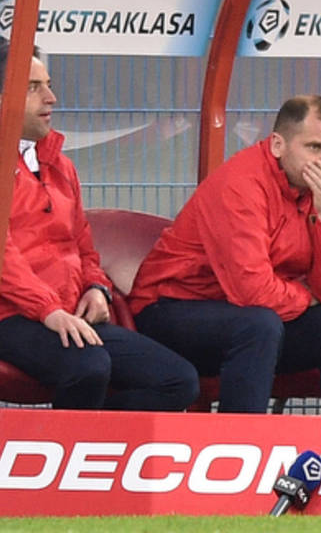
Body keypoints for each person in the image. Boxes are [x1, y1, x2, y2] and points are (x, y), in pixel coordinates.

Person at [129, 95, 321, 415]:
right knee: (259, 325)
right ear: (278, 145)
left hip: (261, 315)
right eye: (315, 147)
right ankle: (242, 443)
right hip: (172, 308)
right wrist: (307, 296)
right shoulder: (240, 184)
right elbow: (252, 291)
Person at [0, 43, 198, 410]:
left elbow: (83, 245)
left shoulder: (61, 166)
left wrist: (96, 288)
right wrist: (48, 309)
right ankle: (64, 446)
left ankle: (93, 440)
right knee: (88, 366)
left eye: (49, 85)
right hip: (11, 315)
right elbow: (4, 257)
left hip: (66, 311)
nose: (51, 98)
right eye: (33, 87)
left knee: (178, 381)